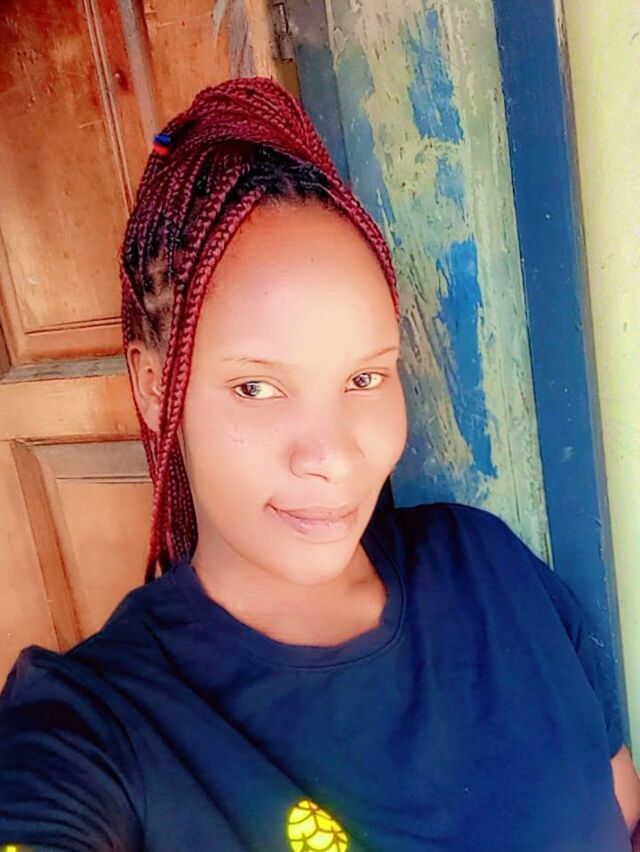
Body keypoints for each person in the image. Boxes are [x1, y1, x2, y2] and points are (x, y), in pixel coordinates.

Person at [0, 77, 638, 852]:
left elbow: (623, 813)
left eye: (365, 378)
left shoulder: (488, 566)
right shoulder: (99, 729)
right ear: (156, 386)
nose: (332, 457)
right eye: (257, 387)